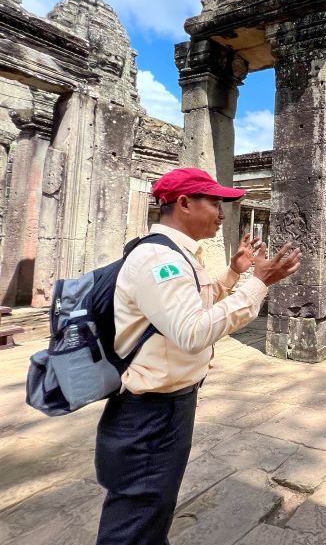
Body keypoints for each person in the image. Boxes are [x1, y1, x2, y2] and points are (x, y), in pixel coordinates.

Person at [95, 167, 302, 545]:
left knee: (154, 508)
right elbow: (192, 333)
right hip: (148, 413)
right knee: (136, 517)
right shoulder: (161, 260)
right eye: (215, 203)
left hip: (166, 405)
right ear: (184, 203)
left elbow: (187, 311)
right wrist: (258, 283)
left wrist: (232, 274)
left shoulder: (178, 255)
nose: (223, 214)